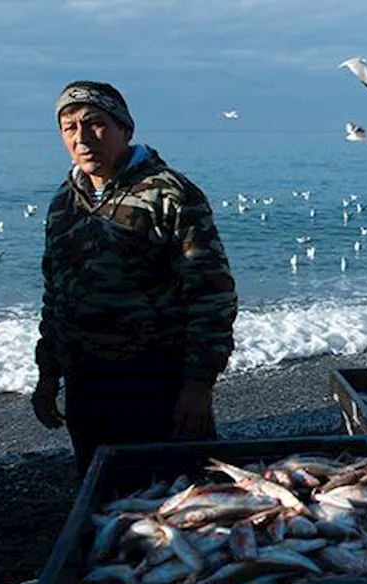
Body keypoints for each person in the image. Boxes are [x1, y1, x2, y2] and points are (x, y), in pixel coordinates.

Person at [32, 81, 239, 476]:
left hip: (158, 382)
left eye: (95, 123)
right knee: (103, 498)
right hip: (87, 384)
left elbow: (212, 294)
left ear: (125, 128)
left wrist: (199, 385)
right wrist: (48, 375)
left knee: (180, 502)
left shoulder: (170, 194)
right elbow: (54, 294)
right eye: (69, 127)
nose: (82, 137)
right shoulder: (63, 203)